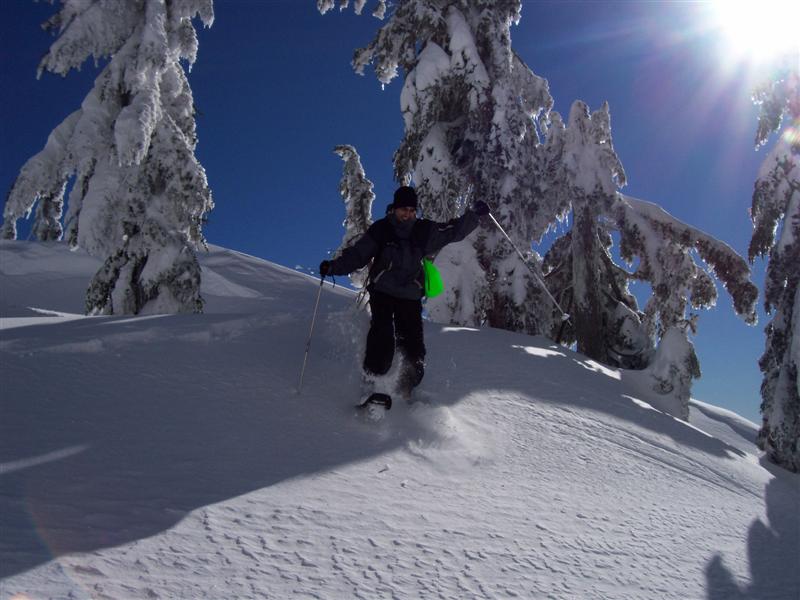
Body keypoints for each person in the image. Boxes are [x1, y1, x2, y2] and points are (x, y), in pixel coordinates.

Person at [320, 185, 490, 399]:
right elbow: (358, 255)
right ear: (394, 209)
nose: (407, 214)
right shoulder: (382, 230)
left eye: (411, 210)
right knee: (382, 335)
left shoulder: (423, 231)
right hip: (383, 290)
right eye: (403, 209)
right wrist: (333, 267)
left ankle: (406, 390)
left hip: (410, 295)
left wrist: (474, 215)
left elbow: (452, 231)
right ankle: (372, 383)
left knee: (413, 346)